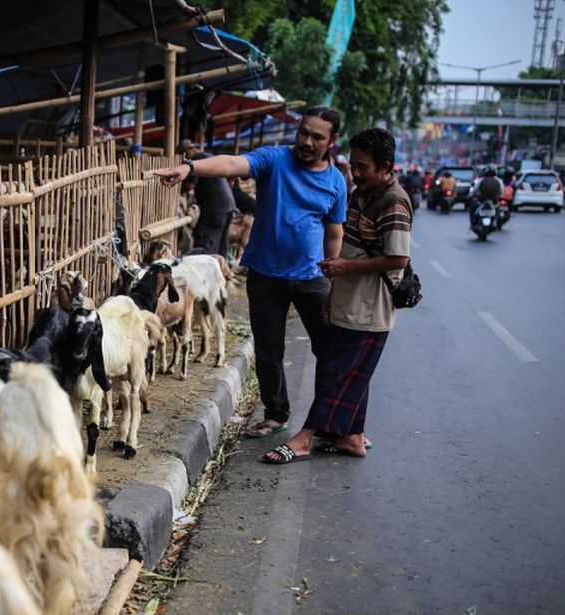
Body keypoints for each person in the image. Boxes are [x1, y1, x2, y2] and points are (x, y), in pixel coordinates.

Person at [154, 107, 348, 438]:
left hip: (311, 277)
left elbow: (334, 232)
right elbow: (232, 163)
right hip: (266, 275)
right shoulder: (274, 159)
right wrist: (190, 166)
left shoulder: (335, 182)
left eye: (317, 137)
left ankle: (336, 419)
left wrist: (333, 277)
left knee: (330, 349)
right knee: (269, 349)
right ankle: (276, 414)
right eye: (303, 132)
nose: (306, 141)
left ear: (332, 140)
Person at [259, 127, 412, 464]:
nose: (355, 174)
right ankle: (352, 438)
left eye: (363, 168)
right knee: (343, 372)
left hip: (369, 309)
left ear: (386, 166)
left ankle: (304, 439)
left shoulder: (393, 201)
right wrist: (334, 289)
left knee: (338, 375)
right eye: (353, 165)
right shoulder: (360, 194)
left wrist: (344, 268)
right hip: (347, 300)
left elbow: (398, 258)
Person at [177, 138, 236, 258]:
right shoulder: (209, 156)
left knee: (204, 245)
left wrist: (176, 188)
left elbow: (189, 186)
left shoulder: (196, 159)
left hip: (215, 207)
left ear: (188, 151)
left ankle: (204, 273)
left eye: (182, 155)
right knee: (219, 246)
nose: (182, 160)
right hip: (228, 205)